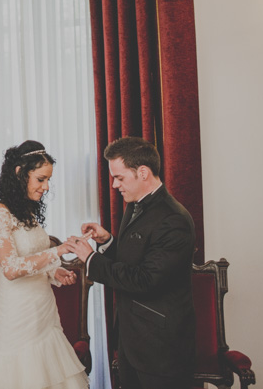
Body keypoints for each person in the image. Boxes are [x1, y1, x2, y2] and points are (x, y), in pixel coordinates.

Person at [69, 136, 196, 389]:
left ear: (143, 172)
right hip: (132, 342)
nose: (114, 185)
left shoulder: (175, 220)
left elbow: (146, 280)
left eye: (119, 177)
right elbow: (135, 260)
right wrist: (107, 242)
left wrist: (91, 258)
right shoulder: (134, 205)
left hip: (161, 349)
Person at [0, 140, 89, 389]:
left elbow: (34, 258)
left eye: (48, 180)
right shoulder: (0, 214)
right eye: (41, 179)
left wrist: (56, 273)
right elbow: (10, 268)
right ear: (20, 173)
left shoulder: (27, 213)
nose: (46, 186)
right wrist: (59, 251)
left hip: (43, 313)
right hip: (15, 313)